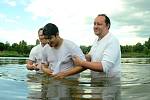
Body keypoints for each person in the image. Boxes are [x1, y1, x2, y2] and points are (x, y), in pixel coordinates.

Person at [73, 14, 121, 100]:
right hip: (96, 83)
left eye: (99, 24)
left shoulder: (112, 41)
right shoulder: (96, 40)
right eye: (94, 24)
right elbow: (90, 57)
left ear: (107, 26)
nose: (95, 26)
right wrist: (77, 55)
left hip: (109, 85)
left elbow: (104, 66)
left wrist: (81, 62)